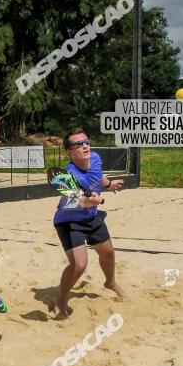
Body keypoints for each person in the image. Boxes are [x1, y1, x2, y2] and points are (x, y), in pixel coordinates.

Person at [51, 128, 126, 319]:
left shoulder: (95, 158)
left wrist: (109, 184)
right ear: (69, 151)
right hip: (69, 222)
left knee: (108, 253)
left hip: (91, 218)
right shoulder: (68, 175)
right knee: (79, 265)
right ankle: (60, 298)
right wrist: (90, 201)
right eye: (78, 144)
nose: (85, 146)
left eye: (86, 141)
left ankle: (110, 282)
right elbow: (77, 202)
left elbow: (97, 177)